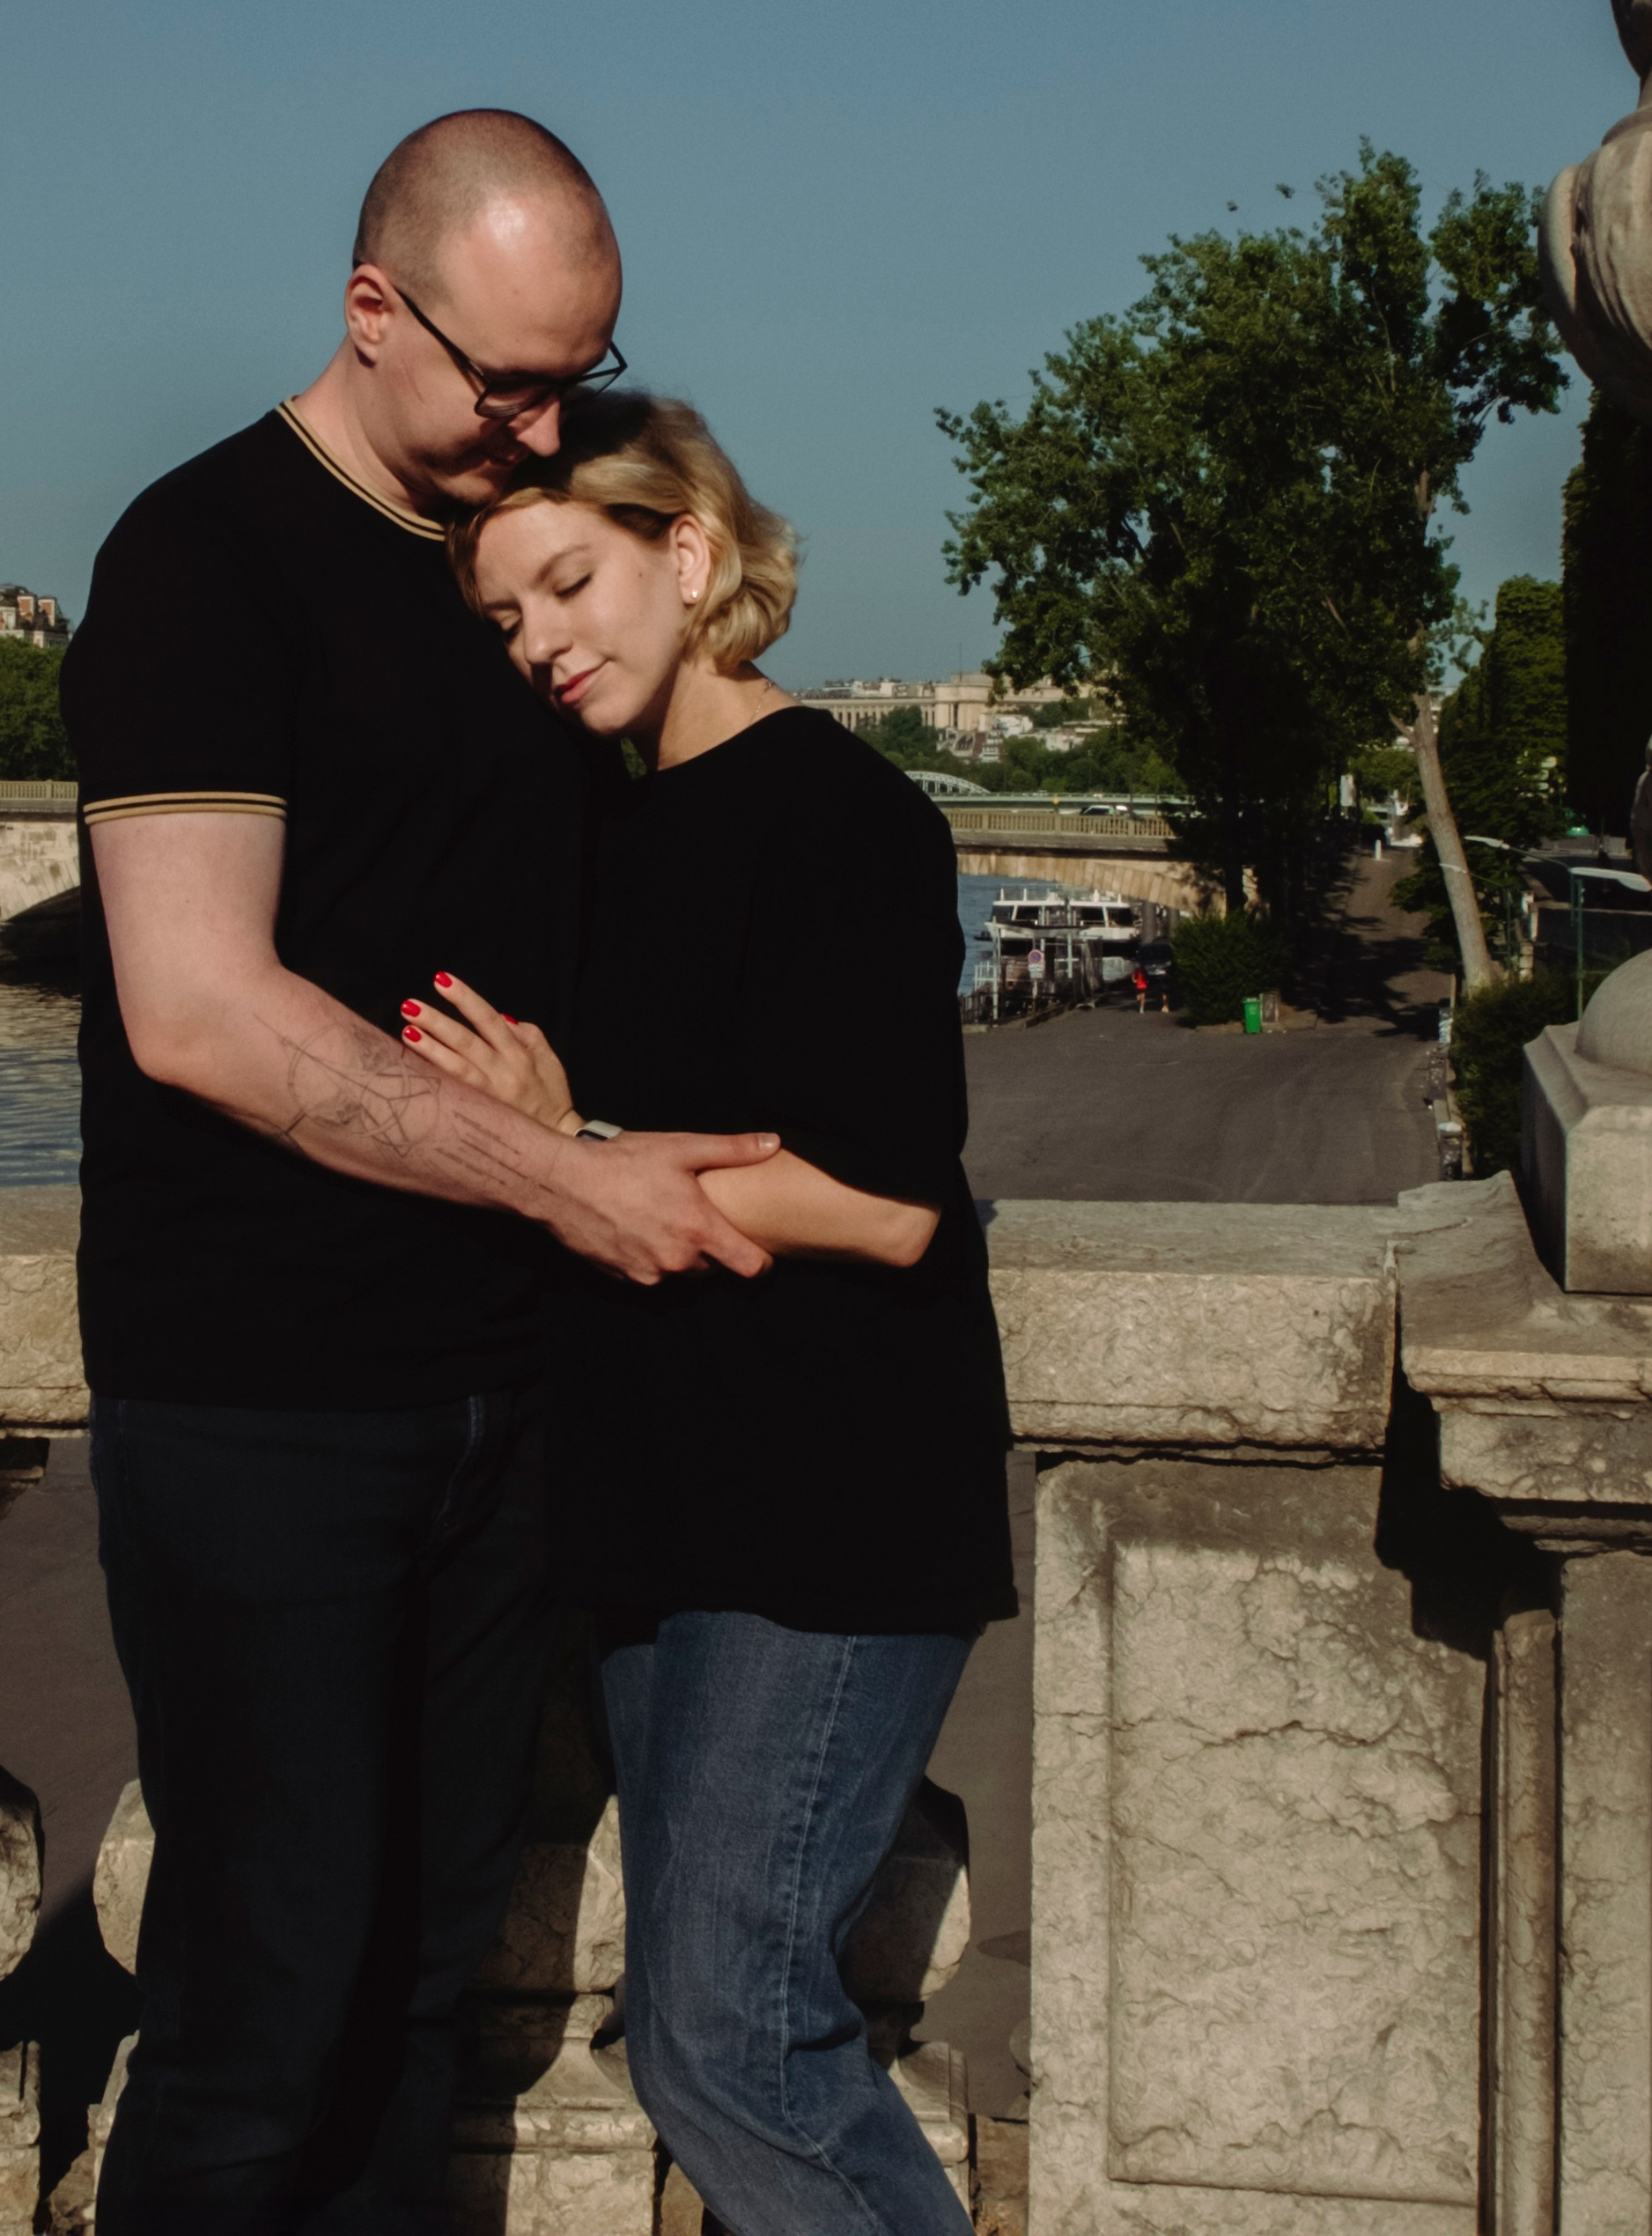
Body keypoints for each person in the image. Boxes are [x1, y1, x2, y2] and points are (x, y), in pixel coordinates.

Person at [59, 114, 786, 2236]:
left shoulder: (524, 549)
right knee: (253, 2016)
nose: (544, 425)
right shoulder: (200, 554)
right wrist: (568, 1178)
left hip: (506, 1396)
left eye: (582, 372)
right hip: (264, 1397)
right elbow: (198, 1005)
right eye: (502, 381)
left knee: (408, 2011)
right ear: (370, 308)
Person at [402, 392, 1014, 2236]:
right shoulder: (595, 822)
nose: (542, 640)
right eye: (506, 616)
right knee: (719, 2013)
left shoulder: (845, 815)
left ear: (689, 550)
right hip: (664, 1504)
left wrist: (564, 1140)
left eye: (571, 581)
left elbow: (882, 1193)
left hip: (821, 1508)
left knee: (724, 2033)